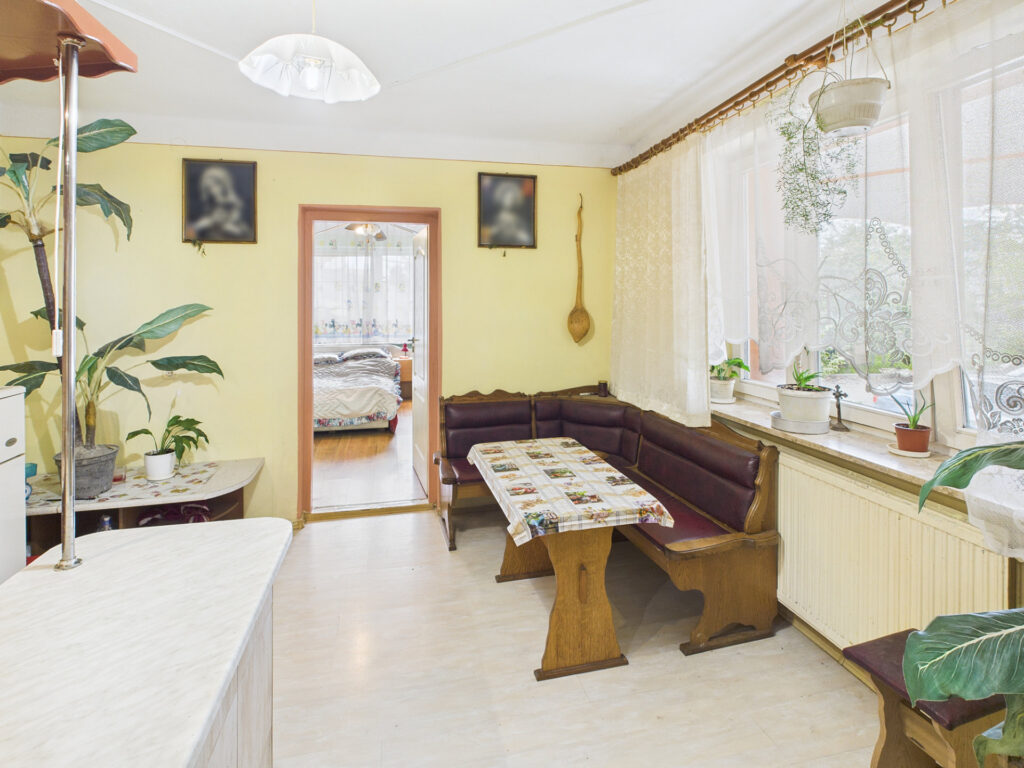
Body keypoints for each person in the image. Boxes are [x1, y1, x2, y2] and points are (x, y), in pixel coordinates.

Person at [187, 165, 253, 241]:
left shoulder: (234, 204)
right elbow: (194, 230)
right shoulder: (208, 205)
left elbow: (244, 231)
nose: (212, 191)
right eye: (208, 188)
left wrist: (227, 226)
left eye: (215, 186)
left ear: (224, 185)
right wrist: (201, 225)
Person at [484, 177, 533, 246]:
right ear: (501, 197)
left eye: (511, 197)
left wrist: (519, 234)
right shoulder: (495, 217)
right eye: (506, 197)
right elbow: (489, 233)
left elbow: (526, 239)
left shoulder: (518, 219)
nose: (509, 200)